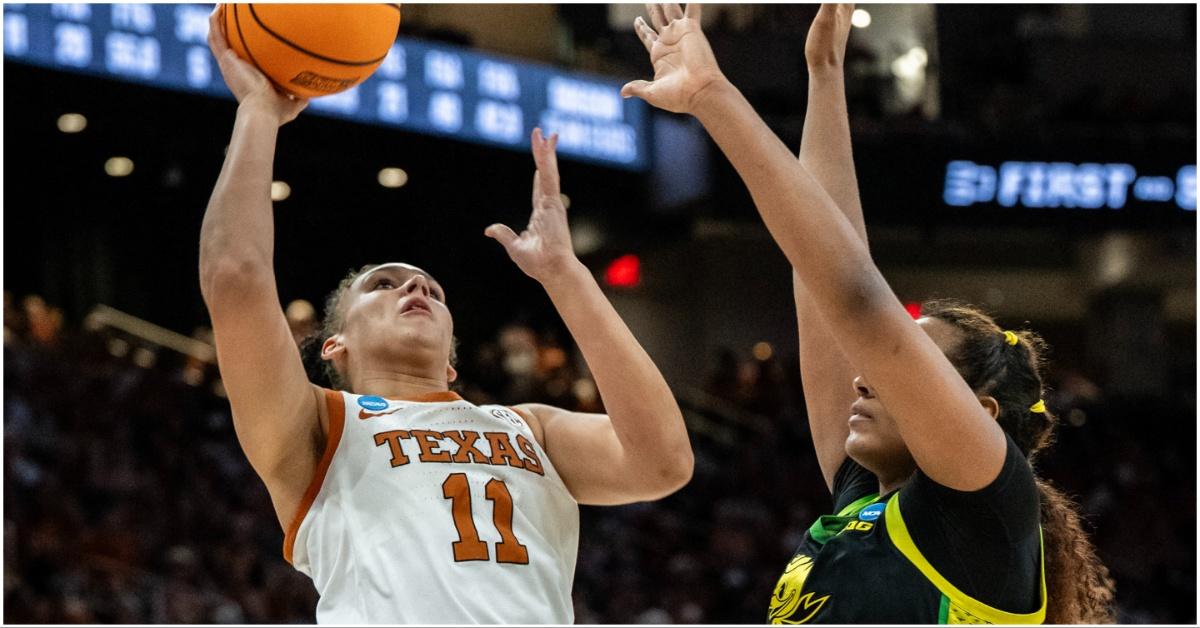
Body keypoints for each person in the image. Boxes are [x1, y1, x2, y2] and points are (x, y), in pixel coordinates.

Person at [198, 7, 693, 623]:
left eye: (431, 287)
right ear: (335, 346)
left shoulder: (528, 428)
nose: (415, 288)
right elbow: (235, 280)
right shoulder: (316, 429)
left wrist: (566, 278)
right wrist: (258, 113)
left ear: (453, 360)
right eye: (384, 285)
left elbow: (663, 462)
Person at [623, 4, 1114, 623]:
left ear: (980, 415)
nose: (864, 373)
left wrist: (713, 98)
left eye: (902, 365)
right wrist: (825, 75)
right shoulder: (866, 505)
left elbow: (854, 294)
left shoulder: (983, 511)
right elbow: (823, 288)